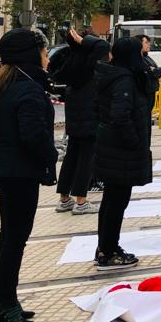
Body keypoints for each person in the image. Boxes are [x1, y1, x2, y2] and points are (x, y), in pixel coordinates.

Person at [0, 29, 57, 322]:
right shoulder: (27, 88)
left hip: (7, 169)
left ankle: (3, 301)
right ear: (32, 54)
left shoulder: (8, 82)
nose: (47, 58)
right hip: (18, 171)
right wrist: (50, 156)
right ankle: (6, 303)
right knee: (14, 240)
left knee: (11, 238)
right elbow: (32, 134)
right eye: (44, 51)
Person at [94, 36, 154, 271]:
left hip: (112, 146)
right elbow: (121, 115)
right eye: (140, 52)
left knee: (112, 200)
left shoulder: (113, 76)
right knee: (116, 201)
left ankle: (106, 247)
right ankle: (108, 251)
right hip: (121, 149)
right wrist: (134, 141)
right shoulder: (123, 80)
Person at [53, 28, 109, 215]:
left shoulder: (72, 61)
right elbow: (103, 46)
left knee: (71, 157)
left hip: (74, 119)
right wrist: (84, 40)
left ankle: (64, 198)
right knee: (86, 159)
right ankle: (81, 201)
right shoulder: (89, 62)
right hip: (90, 117)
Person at [137, 34, 161, 98]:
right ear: (138, 44)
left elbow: (157, 70)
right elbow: (151, 72)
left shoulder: (146, 56)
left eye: (149, 43)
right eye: (146, 42)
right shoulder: (138, 58)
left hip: (151, 90)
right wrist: (153, 70)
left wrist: (156, 69)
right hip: (145, 92)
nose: (149, 45)